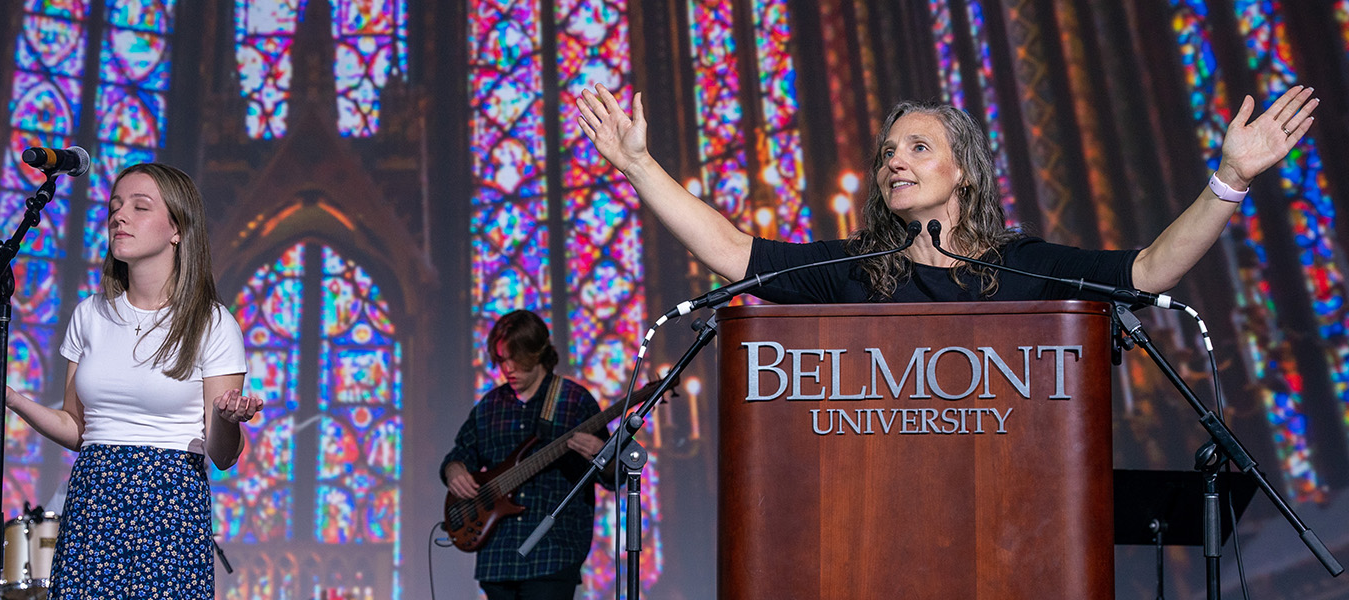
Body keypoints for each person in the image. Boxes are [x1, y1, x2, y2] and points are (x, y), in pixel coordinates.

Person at [574, 83, 1319, 304]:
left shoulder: (1025, 266)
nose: (895, 162)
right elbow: (736, 253)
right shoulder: (858, 269)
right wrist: (639, 167)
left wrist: (1231, 180)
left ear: (962, 169)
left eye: (918, 148)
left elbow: (1150, 271)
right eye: (887, 153)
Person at [0, 163, 263, 599]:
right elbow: (78, 429)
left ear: (178, 230)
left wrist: (229, 420)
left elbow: (222, 455)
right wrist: (10, 398)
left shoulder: (212, 323)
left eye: (139, 206)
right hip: (93, 497)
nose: (119, 216)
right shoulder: (90, 315)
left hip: (169, 506)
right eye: (114, 206)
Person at [441, 310, 612, 600]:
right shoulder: (490, 406)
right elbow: (460, 454)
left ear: (537, 353)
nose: (508, 368)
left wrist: (599, 453)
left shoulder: (574, 400)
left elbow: (614, 477)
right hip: (496, 557)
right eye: (502, 359)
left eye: (516, 359)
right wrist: (454, 470)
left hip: (552, 553)